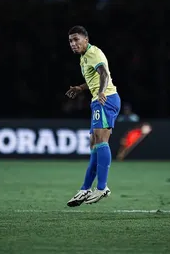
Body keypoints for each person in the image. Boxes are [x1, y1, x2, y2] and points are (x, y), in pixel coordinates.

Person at [65, 25, 121, 206]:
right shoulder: (84, 57)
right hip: (99, 100)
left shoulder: (94, 54)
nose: (73, 44)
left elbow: (104, 74)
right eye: (70, 41)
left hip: (106, 99)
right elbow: (94, 78)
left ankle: (102, 187)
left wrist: (102, 92)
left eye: (76, 39)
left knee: (101, 141)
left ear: (86, 40)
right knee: (94, 144)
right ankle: (85, 189)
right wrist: (80, 88)